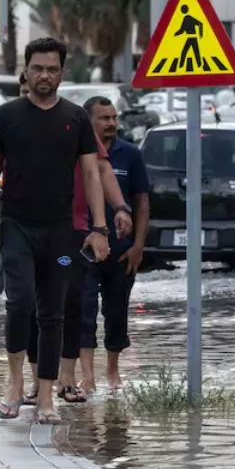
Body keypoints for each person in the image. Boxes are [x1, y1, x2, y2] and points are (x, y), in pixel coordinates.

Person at [0, 37, 110, 425]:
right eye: (37, 68)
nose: (43, 75)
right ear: (25, 71)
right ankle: (15, 382)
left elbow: (92, 174)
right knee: (19, 302)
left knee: (52, 312)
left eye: (51, 69)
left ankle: (46, 395)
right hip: (16, 227)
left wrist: (98, 228)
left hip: (61, 234)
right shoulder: (7, 115)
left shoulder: (76, 118)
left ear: (62, 74)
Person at [77, 96, 149, 392]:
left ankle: (113, 372)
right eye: (103, 118)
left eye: (113, 118)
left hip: (121, 252)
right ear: (88, 122)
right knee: (83, 310)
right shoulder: (78, 154)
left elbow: (142, 202)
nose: (111, 124)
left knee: (116, 313)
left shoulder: (130, 154)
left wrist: (138, 246)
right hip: (84, 249)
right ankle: (88, 376)